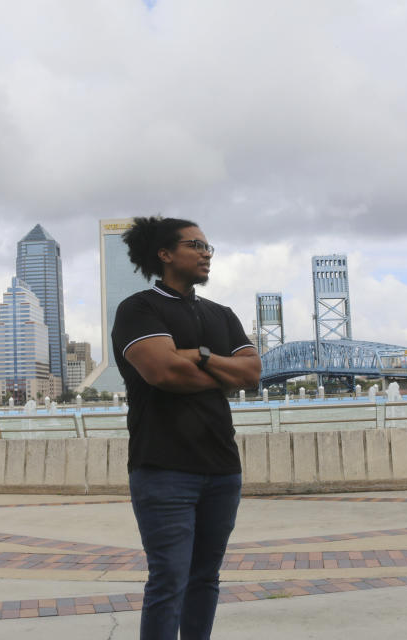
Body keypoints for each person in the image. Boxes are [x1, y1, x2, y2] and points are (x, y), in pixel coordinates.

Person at [112, 216, 262, 639]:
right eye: (196, 245)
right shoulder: (139, 308)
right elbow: (164, 374)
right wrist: (222, 370)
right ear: (165, 254)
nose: (206, 254)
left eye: (209, 247)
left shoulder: (221, 314)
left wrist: (197, 355)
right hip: (163, 468)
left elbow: (252, 374)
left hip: (222, 468)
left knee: (205, 579)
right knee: (168, 580)